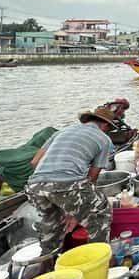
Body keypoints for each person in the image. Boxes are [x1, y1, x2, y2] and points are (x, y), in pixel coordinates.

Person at [24, 107, 115, 254]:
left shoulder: (61, 132)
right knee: (101, 213)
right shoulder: (103, 138)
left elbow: (35, 162)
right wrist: (79, 210)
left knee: (51, 223)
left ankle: (47, 262)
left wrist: (71, 208)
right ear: (105, 125)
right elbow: (93, 175)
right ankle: (100, 258)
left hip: (34, 185)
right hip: (67, 184)